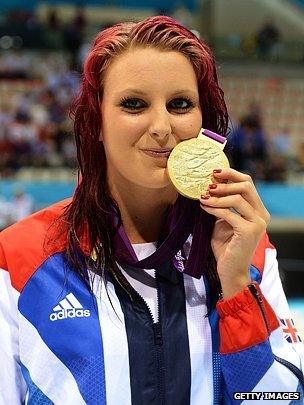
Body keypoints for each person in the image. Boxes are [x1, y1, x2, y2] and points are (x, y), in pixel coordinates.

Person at [0, 16, 303, 404]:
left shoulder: (248, 248)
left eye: (180, 104)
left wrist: (237, 287)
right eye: (134, 104)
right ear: (96, 121)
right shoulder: (20, 259)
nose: (161, 126)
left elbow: (277, 401)